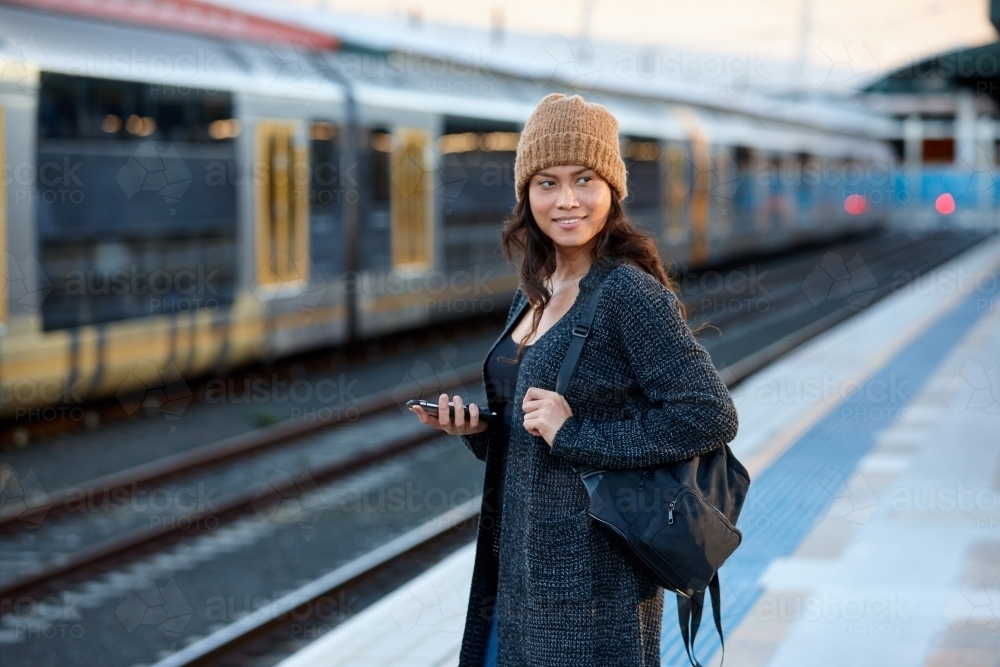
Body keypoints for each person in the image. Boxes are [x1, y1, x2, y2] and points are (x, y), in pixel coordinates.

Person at [409, 93, 739, 667]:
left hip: (593, 587)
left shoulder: (628, 292)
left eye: (584, 179)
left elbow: (709, 414)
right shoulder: (536, 285)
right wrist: (479, 430)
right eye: (546, 182)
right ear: (525, 194)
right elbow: (534, 427)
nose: (566, 201)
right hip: (519, 569)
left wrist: (574, 434)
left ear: (612, 188)